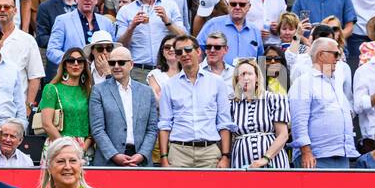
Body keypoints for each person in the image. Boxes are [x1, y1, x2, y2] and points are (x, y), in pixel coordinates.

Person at [157, 34, 235, 167]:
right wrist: (164, 158)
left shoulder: (217, 82)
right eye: (179, 52)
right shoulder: (169, 85)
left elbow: (224, 122)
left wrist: (225, 156)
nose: (184, 54)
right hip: (178, 152)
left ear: (198, 51)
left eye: (188, 49)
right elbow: (165, 124)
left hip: (209, 151)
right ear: (176, 56)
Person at [289, 36, 357, 169]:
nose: (338, 58)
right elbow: (299, 120)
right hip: (316, 157)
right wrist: (306, 152)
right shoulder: (304, 82)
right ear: (321, 55)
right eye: (336, 54)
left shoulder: (335, 82)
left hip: (342, 154)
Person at [89, 45, 158, 165]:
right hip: (108, 161)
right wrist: (114, 155)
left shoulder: (146, 92)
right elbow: (97, 129)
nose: (116, 66)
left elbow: (152, 129)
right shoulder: (98, 91)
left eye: (121, 62)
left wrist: (142, 154)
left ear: (131, 64)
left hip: (140, 162)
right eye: (112, 63)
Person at [229, 58, 291, 169]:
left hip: (273, 161)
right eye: (242, 75)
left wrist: (265, 158)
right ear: (237, 80)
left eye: (249, 74)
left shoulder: (274, 99)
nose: (246, 78)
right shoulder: (231, 104)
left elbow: (283, 135)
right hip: (241, 161)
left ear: (257, 78)